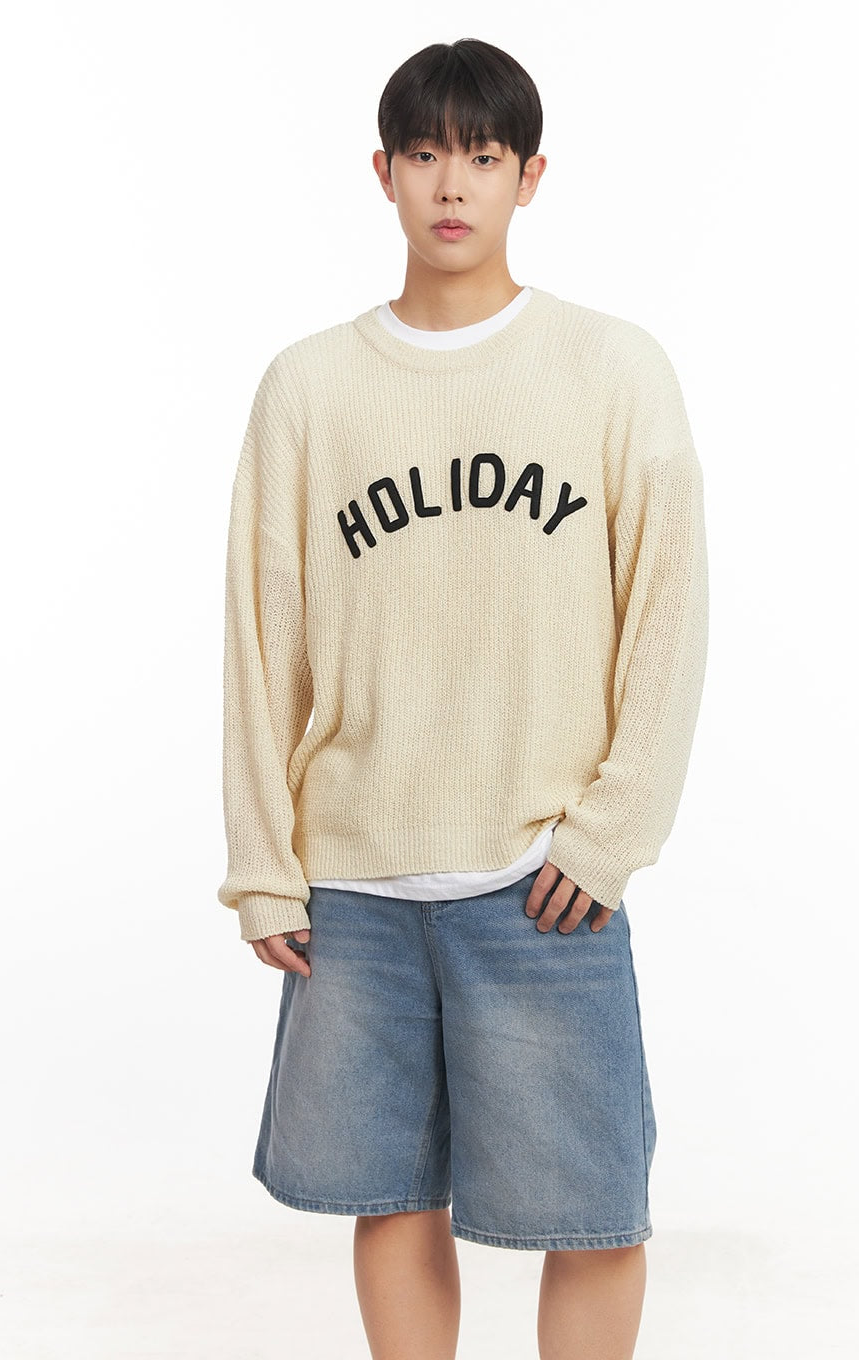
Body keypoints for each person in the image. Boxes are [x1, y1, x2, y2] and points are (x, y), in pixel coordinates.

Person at [217, 36, 709, 1360]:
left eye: (482, 156)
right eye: (426, 153)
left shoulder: (612, 370)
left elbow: (668, 618)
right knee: (389, 1198)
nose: (452, 184)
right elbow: (263, 639)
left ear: (529, 176)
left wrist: (609, 834)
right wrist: (265, 867)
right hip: (356, 889)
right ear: (381, 171)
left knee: (594, 1212)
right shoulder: (310, 388)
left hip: (545, 881)